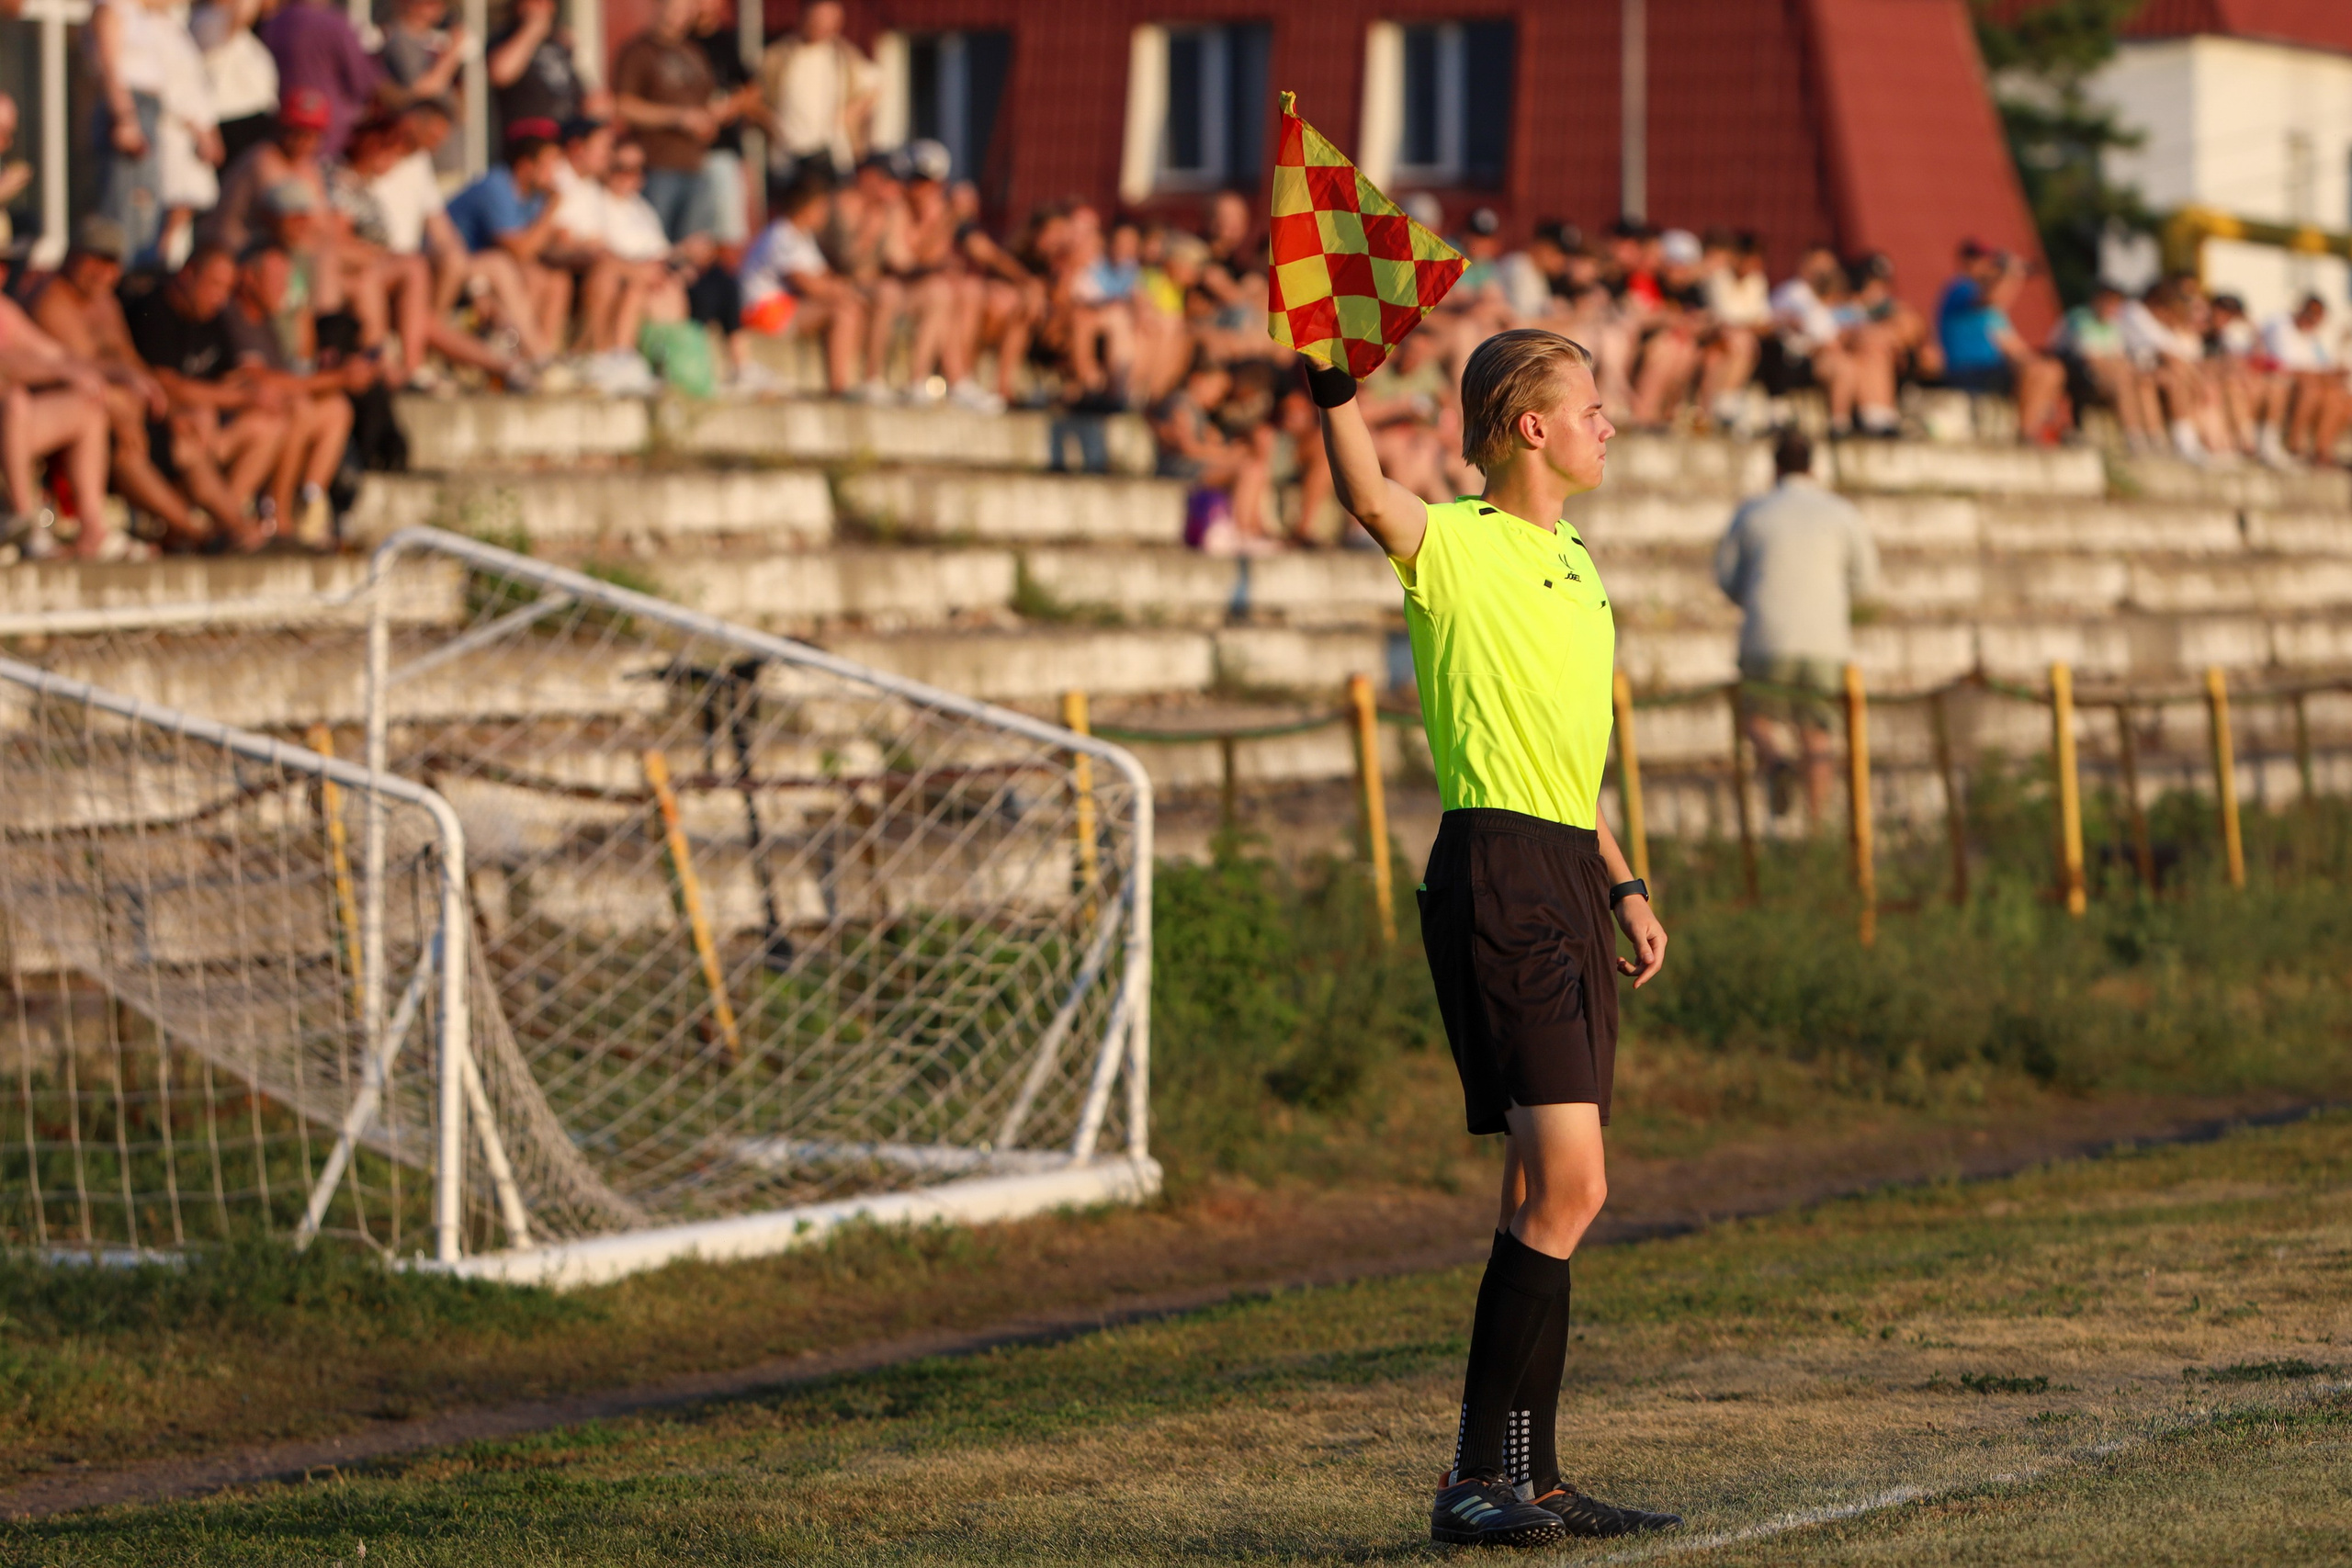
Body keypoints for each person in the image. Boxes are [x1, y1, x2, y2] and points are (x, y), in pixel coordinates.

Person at [1309, 326, 1678, 1546]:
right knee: (1572, 1180)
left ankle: (1530, 1475)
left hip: (1570, 866)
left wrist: (1623, 882)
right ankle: (1477, 1475)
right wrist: (1329, 377)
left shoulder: (1578, 558)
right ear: (1530, 426)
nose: (1605, 423)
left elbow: (1575, 765)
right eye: (1587, 405)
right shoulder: (1455, 544)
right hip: (1499, 872)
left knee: (1547, 1186)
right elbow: (1365, 491)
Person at [1713, 428, 1880, 828]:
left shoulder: (1753, 511)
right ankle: (1817, 826)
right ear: (1814, 466)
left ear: (1775, 467)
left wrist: (1753, 598)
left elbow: (1726, 576)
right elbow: (1866, 582)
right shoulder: (1841, 512)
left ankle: (1775, 761)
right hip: (1826, 642)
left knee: (1756, 718)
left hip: (1765, 636)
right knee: (1818, 735)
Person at [28, 215, 222, 548]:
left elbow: (130, 361)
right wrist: (127, 399)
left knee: (189, 436)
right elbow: (80, 370)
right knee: (127, 451)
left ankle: (238, 529)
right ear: (72, 256)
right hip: (72, 416)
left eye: (111, 263)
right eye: (95, 260)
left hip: (117, 408)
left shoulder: (106, 302)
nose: (103, 272)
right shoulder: (52, 300)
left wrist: (173, 409)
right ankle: (194, 532)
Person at [122, 244, 288, 546]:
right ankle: (234, 528)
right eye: (215, 285)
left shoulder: (214, 316)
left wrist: (246, 390)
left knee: (270, 424)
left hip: (201, 430)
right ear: (187, 275)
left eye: (227, 288)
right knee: (194, 433)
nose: (221, 297)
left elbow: (227, 377)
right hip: (159, 430)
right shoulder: (154, 310)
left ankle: (224, 521)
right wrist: (234, 399)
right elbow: (169, 384)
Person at [222, 238, 360, 545]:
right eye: (277, 281)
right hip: (236, 420)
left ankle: (310, 502)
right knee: (297, 408)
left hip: (266, 412)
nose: (285, 289)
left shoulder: (268, 319)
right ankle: (277, 514)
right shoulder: (234, 315)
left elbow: (297, 367)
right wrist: (336, 379)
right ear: (248, 277)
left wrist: (304, 321)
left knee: (336, 409)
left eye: (288, 280)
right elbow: (260, 379)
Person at [445, 118, 571, 362]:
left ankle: (543, 356)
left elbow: (533, 246)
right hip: (450, 266)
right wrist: (551, 210)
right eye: (549, 164)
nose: (554, 173)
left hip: (481, 268)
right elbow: (520, 251)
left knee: (555, 279)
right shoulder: (497, 186)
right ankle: (539, 357)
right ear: (525, 166)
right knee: (504, 266)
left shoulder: (531, 194)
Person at [0, 295, 115, 557]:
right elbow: (4, 366)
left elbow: (59, 354)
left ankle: (93, 529)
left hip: (8, 427)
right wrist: (61, 371)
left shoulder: (4, 310)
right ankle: (25, 522)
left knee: (89, 407)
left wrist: (122, 377)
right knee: (15, 403)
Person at [738, 174, 865, 393]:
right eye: (821, 207)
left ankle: (859, 381)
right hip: (762, 312)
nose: (826, 214)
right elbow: (807, 284)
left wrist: (848, 290)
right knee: (842, 312)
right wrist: (845, 292)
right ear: (807, 206)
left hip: (782, 309)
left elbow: (824, 276)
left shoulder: (802, 237)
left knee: (851, 306)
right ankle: (839, 386)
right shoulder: (780, 235)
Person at [1936, 241, 2067, 444]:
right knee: (2040, 372)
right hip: (1968, 370)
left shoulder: (1993, 315)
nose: (1984, 266)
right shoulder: (1960, 288)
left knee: (2051, 370)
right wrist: (2011, 273)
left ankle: (2035, 433)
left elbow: (2014, 348)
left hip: (1992, 370)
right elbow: (1992, 297)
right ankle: (2027, 437)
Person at [613, 0, 719, 243]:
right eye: (673, 6)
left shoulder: (694, 52)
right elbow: (624, 105)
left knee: (692, 250)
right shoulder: (638, 50)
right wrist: (678, 118)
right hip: (657, 166)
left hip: (696, 164)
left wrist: (709, 121)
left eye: (684, 9)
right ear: (658, 7)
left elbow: (706, 102)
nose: (678, 15)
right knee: (655, 245)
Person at [757, 0, 874, 184]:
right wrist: (773, 124)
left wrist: (849, 116)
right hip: (788, 154)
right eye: (818, 20)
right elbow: (754, 95)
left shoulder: (845, 56)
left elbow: (874, 85)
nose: (822, 26)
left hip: (833, 153)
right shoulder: (778, 55)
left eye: (829, 21)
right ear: (804, 18)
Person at [254, 0, 384, 159]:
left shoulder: (273, 24)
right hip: (331, 141)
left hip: (282, 134)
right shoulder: (336, 24)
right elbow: (367, 84)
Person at [375, 0, 468, 175]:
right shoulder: (399, 37)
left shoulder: (436, 39)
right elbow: (423, 90)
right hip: (423, 158)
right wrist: (453, 52)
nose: (438, 6)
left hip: (450, 155)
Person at [486, 0, 586, 157]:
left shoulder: (557, 44)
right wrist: (531, 31)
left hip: (562, 142)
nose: (542, 7)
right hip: (527, 149)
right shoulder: (505, 38)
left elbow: (577, 91)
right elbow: (501, 73)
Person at [192, 0, 280, 168]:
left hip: (255, 120)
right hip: (233, 122)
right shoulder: (206, 20)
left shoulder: (246, 38)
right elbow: (242, 13)